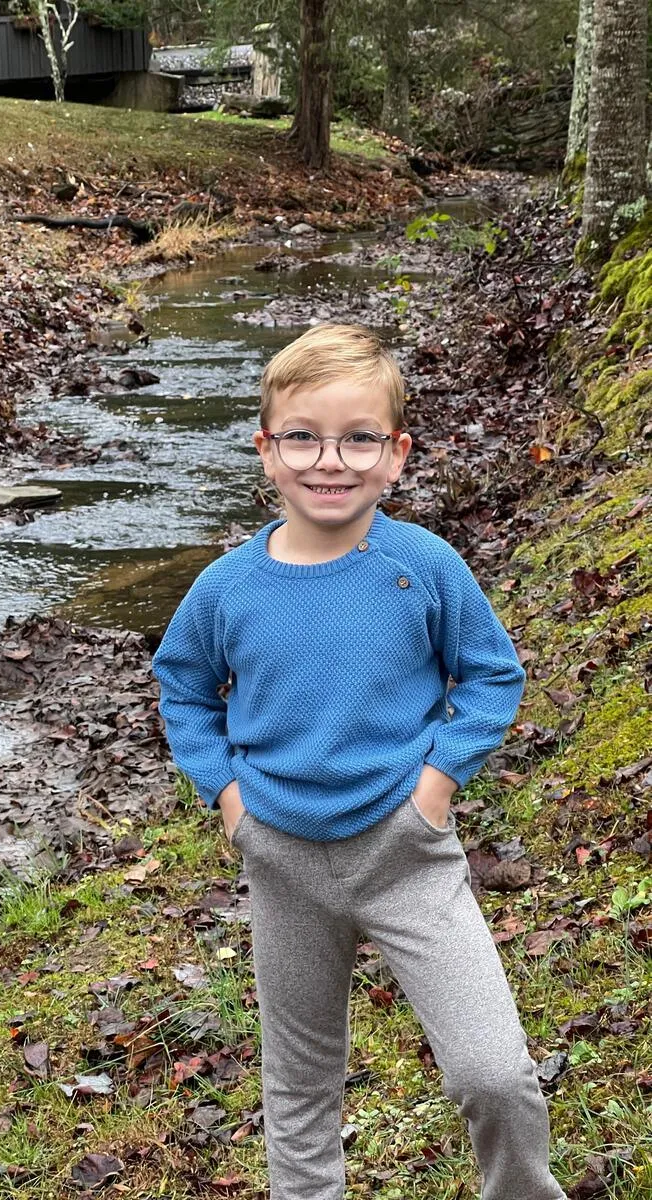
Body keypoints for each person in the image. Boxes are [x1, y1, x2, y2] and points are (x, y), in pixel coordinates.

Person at [151, 324, 566, 1200]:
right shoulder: (226, 587)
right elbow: (183, 688)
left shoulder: (422, 566)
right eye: (302, 436)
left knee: (493, 1073)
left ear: (395, 455)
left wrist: (437, 786)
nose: (329, 461)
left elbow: (491, 673)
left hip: (406, 852)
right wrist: (228, 797)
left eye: (359, 438)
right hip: (282, 858)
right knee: (299, 1086)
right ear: (266, 450)